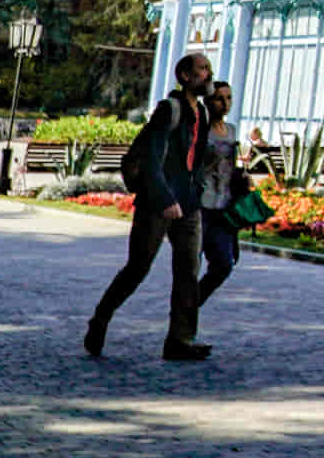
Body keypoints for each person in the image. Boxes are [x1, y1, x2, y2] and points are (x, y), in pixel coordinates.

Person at [86, 52, 214, 362]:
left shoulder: (204, 114)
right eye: (202, 70)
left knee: (188, 273)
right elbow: (153, 160)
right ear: (184, 75)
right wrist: (165, 199)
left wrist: (195, 191)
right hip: (158, 204)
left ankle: (180, 341)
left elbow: (197, 160)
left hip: (189, 205)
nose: (208, 75)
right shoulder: (168, 110)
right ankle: (100, 319)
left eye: (208, 70)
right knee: (138, 267)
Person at [196, 80, 250, 306]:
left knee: (223, 264)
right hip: (200, 205)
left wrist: (242, 177)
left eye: (228, 98)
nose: (225, 103)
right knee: (189, 268)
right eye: (219, 98)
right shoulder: (199, 130)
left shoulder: (231, 131)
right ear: (208, 101)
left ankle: (191, 304)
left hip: (224, 206)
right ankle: (183, 327)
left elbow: (230, 165)